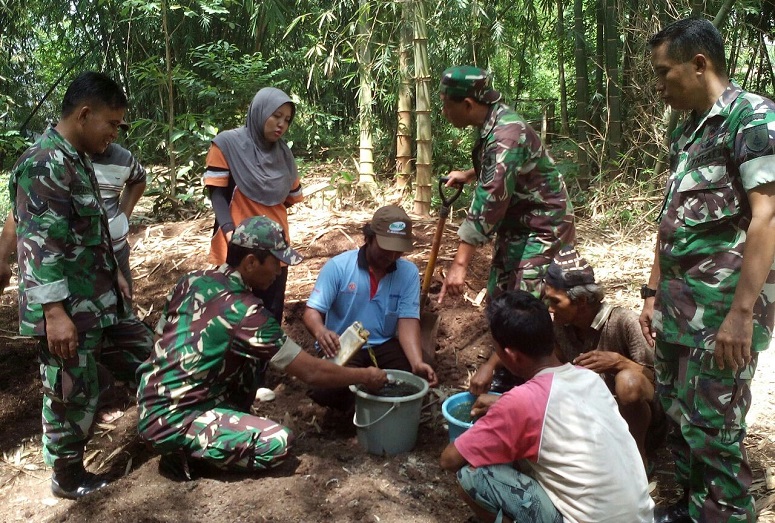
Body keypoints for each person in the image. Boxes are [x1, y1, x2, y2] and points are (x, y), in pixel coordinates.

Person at [641, 17, 775, 523]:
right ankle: (692, 511)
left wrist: (742, 314)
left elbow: (768, 216)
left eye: (664, 72)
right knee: (679, 418)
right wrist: (651, 292)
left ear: (699, 65)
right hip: (679, 308)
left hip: (722, 315)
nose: (659, 86)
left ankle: (724, 513)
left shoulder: (753, 119)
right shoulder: (690, 129)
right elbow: (670, 219)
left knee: (714, 434)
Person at [136, 216, 387, 479]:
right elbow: (311, 372)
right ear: (251, 262)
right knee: (276, 442)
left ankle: (211, 425)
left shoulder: (192, 280)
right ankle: (187, 455)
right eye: (275, 263)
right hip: (173, 419)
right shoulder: (245, 313)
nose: (279, 272)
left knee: (254, 357)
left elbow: (159, 337)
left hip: (153, 399)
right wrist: (365, 376)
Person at [9, 71, 153, 499]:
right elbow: (39, 246)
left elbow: (92, 230)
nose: (114, 133)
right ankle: (67, 477)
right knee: (72, 388)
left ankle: (175, 426)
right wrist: (54, 314)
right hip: (69, 309)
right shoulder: (44, 163)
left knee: (150, 357)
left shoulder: (77, 158)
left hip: (102, 298)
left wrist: (118, 273)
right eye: (111, 123)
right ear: (85, 114)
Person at [440, 290, 654, 523]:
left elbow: (449, 459)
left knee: (472, 476)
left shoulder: (521, 402)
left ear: (510, 355)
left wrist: (502, 412)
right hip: (640, 517)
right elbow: (552, 409)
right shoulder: (588, 378)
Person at [436, 65, 576, 392]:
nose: (444, 111)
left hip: (545, 226)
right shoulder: (491, 123)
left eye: (446, 104)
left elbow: (487, 205)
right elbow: (495, 167)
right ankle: (510, 368)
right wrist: (468, 173)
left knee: (529, 303)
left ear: (468, 103)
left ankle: (535, 384)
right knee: (500, 295)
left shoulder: (505, 133)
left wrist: (459, 265)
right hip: (518, 224)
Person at [304, 205, 438, 411]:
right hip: (345, 344)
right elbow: (312, 312)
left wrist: (416, 361)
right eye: (386, 249)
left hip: (383, 343)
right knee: (328, 388)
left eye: (398, 250)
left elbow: (408, 321)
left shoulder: (408, 273)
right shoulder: (338, 267)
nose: (392, 256)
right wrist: (321, 331)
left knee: (416, 378)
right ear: (369, 238)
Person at [543, 246, 665, 469]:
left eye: (556, 302)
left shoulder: (623, 322)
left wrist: (619, 363)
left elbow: (659, 381)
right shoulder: (561, 328)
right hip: (596, 418)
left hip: (642, 420)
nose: (551, 309)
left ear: (581, 302)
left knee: (628, 382)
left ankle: (638, 456)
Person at [204, 87, 303, 324]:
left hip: (275, 250)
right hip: (236, 246)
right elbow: (216, 194)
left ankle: (266, 363)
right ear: (260, 112)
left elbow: (289, 198)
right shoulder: (227, 145)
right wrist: (230, 230)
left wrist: (268, 223)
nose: (281, 124)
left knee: (269, 316)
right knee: (230, 318)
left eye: (287, 120)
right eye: (276, 116)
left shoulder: (284, 155)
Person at [0, 143, 146, 295]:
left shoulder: (122, 157)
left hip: (115, 253)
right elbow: (24, 211)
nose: (114, 133)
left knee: (121, 310)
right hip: (69, 262)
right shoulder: (51, 160)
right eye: (111, 124)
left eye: (118, 126)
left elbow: (139, 178)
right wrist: (2, 257)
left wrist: (122, 217)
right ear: (83, 118)